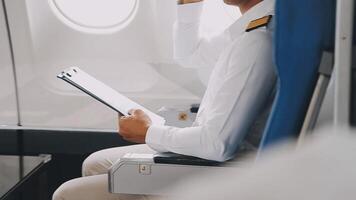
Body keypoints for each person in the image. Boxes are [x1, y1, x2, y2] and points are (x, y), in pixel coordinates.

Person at [53, 0, 276, 199]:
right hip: (218, 150)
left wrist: (148, 132)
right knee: (95, 163)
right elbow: (190, 54)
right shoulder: (249, 27)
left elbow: (216, 145)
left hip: (227, 167)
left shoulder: (256, 41)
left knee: (67, 193)